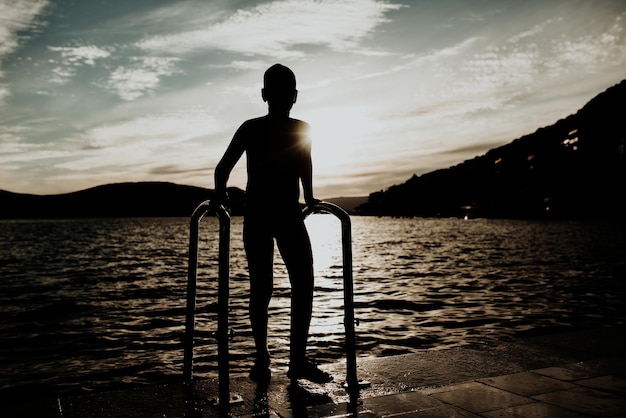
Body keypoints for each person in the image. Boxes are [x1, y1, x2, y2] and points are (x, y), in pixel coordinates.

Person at [213, 64, 332, 384]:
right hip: (277, 214)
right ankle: (285, 359)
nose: (285, 98)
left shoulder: (254, 127)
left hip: (264, 214)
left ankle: (268, 359)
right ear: (291, 96)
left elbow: (222, 170)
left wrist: (219, 196)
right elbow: (304, 163)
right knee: (292, 284)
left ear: (266, 94)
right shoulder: (280, 128)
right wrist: (308, 197)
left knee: (266, 287)